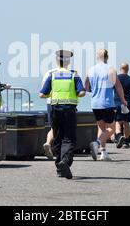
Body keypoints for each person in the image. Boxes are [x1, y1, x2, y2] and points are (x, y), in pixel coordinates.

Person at [39, 50, 85, 179]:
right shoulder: (73, 75)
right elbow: (81, 92)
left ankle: (59, 167)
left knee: (58, 137)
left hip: (55, 109)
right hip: (69, 110)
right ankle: (65, 161)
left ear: (56, 61)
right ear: (68, 61)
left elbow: (42, 94)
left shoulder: (52, 75)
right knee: (69, 138)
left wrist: (53, 94)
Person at [85, 49, 127, 161]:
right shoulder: (110, 69)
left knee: (101, 127)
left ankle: (103, 152)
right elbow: (118, 86)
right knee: (112, 129)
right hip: (107, 103)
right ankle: (97, 143)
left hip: (95, 103)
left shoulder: (91, 70)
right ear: (107, 57)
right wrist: (123, 100)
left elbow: (86, 87)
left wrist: (96, 89)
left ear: (97, 57)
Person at [114, 63, 130, 149]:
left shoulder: (115, 79)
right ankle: (126, 142)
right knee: (126, 122)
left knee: (117, 122)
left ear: (120, 68)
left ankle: (119, 137)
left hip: (117, 102)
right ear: (128, 69)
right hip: (128, 103)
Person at [41, 67, 58, 159]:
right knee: (63, 128)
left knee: (53, 127)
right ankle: (60, 149)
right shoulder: (68, 73)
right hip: (63, 102)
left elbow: (43, 89)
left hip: (50, 102)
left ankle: (48, 143)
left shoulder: (49, 72)